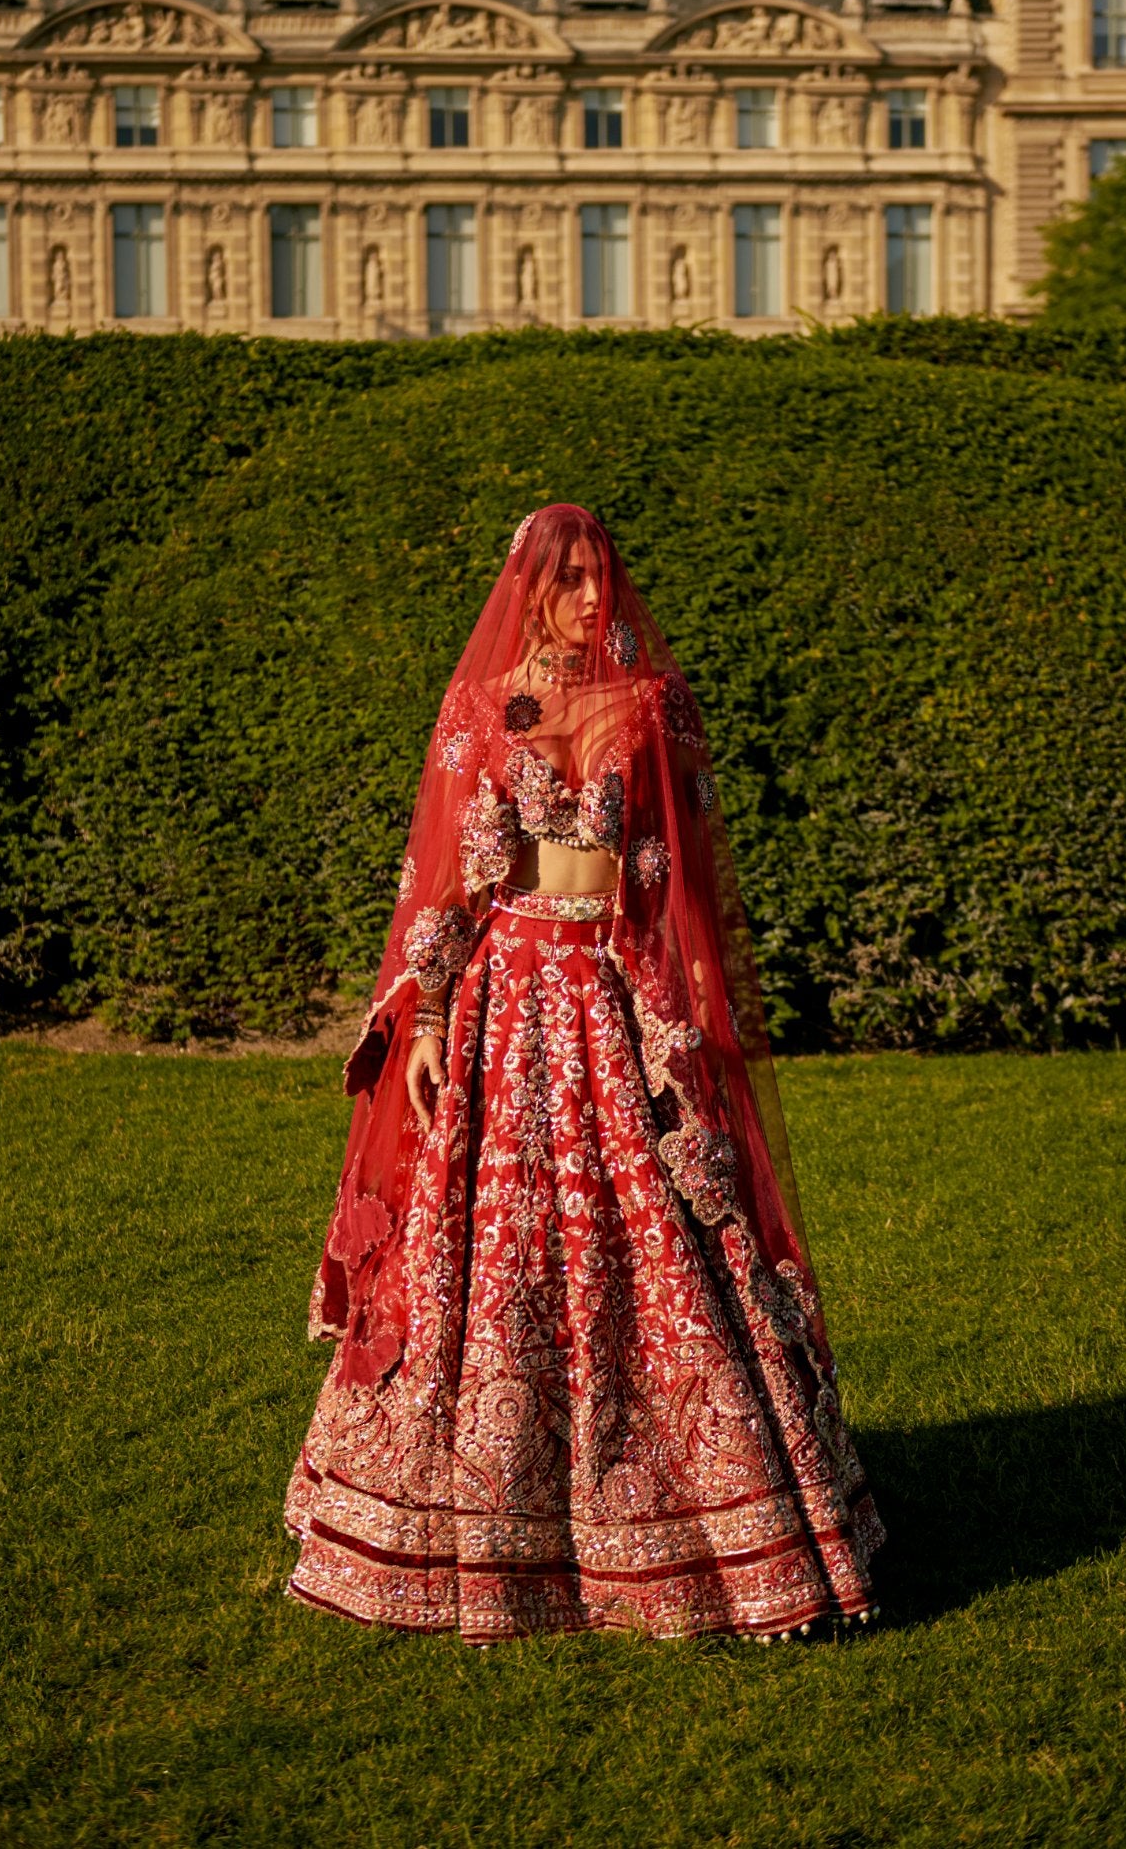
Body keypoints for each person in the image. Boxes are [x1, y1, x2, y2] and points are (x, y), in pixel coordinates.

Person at [285, 504, 883, 1644]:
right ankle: (477, 1511)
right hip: (506, 999)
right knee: (496, 1244)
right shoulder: (483, 706)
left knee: (651, 1238)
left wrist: (686, 1016)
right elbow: (451, 879)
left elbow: (682, 888)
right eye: (563, 584)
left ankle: (702, 1504)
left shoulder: (647, 707)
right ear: (527, 589)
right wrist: (423, 1024)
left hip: (610, 992)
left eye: (597, 580)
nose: (585, 602)